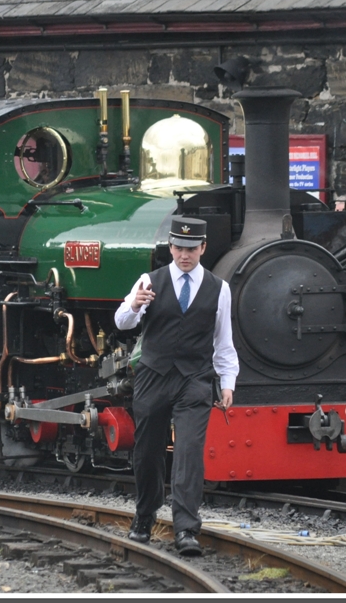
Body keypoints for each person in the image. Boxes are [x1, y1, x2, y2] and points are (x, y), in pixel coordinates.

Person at [114, 216, 239, 558]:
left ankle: (186, 528)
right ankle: (144, 516)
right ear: (171, 248)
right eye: (178, 248)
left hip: (195, 379)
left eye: (191, 249)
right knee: (147, 451)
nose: (184, 255)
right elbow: (121, 321)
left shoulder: (219, 289)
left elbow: (223, 342)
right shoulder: (149, 281)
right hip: (154, 375)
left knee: (188, 453)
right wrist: (136, 303)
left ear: (203, 248)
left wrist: (227, 383)